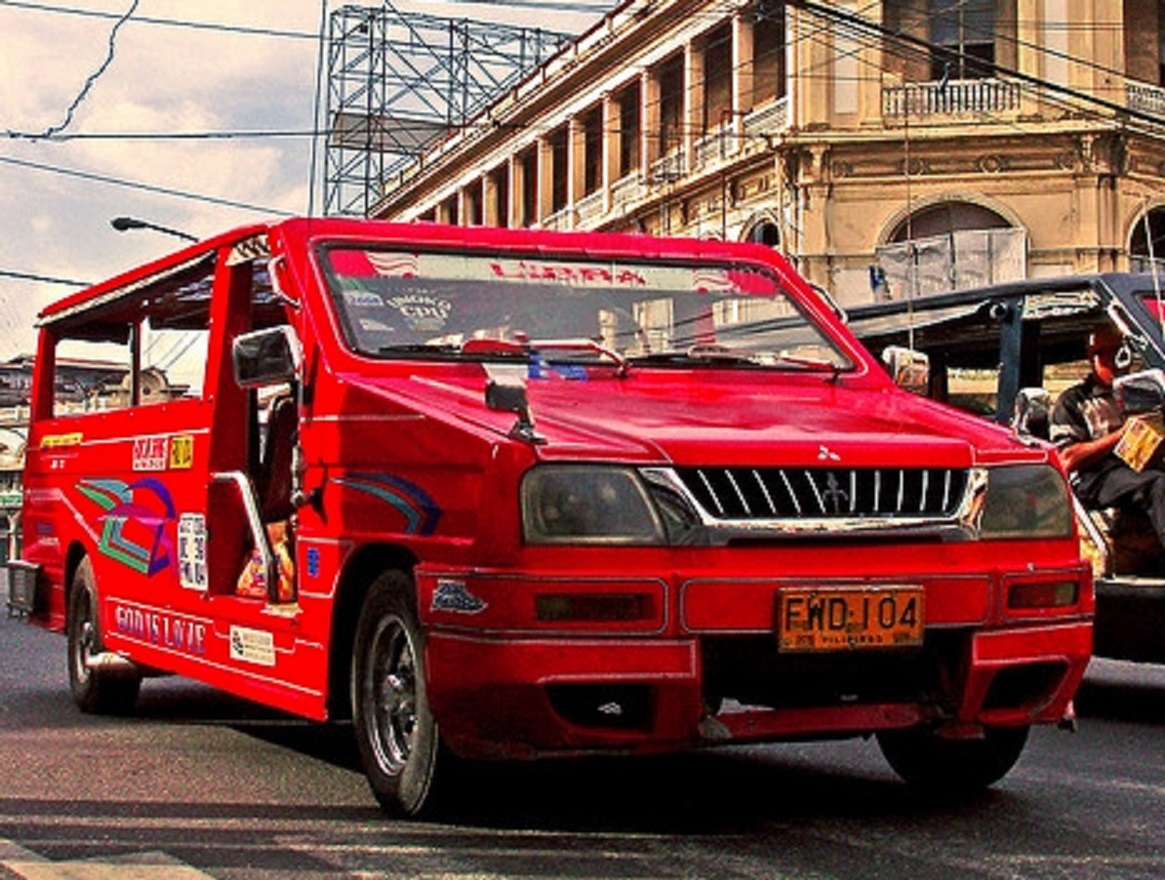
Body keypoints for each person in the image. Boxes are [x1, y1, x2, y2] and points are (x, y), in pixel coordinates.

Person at [1050, 324, 1165, 549]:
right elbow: (1066, 458)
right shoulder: (1073, 401)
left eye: (1120, 353)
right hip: (1094, 478)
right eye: (1106, 354)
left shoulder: (1143, 393)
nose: (1115, 361)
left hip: (1139, 471)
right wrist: (1123, 435)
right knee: (1159, 484)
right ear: (1091, 357)